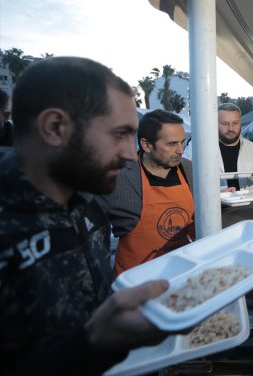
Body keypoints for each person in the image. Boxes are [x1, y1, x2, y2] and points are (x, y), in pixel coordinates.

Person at [0, 57, 168, 375]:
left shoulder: (89, 205)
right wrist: (91, 344)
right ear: (55, 127)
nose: (131, 155)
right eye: (119, 134)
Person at [95, 109, 195, 275]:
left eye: (182, 142)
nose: (180, 150)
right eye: (171, 144)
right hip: (135, 280)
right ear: (146, 145)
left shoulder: (191, 170)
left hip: (184, 275)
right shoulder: (117, 177)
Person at [183, 103, 253, 190]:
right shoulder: (196, 148)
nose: (231, 128)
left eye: (235, 123)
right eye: (225, 123)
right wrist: (215, 193)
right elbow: (184, 177)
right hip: (211, 199)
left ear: (241, 124)